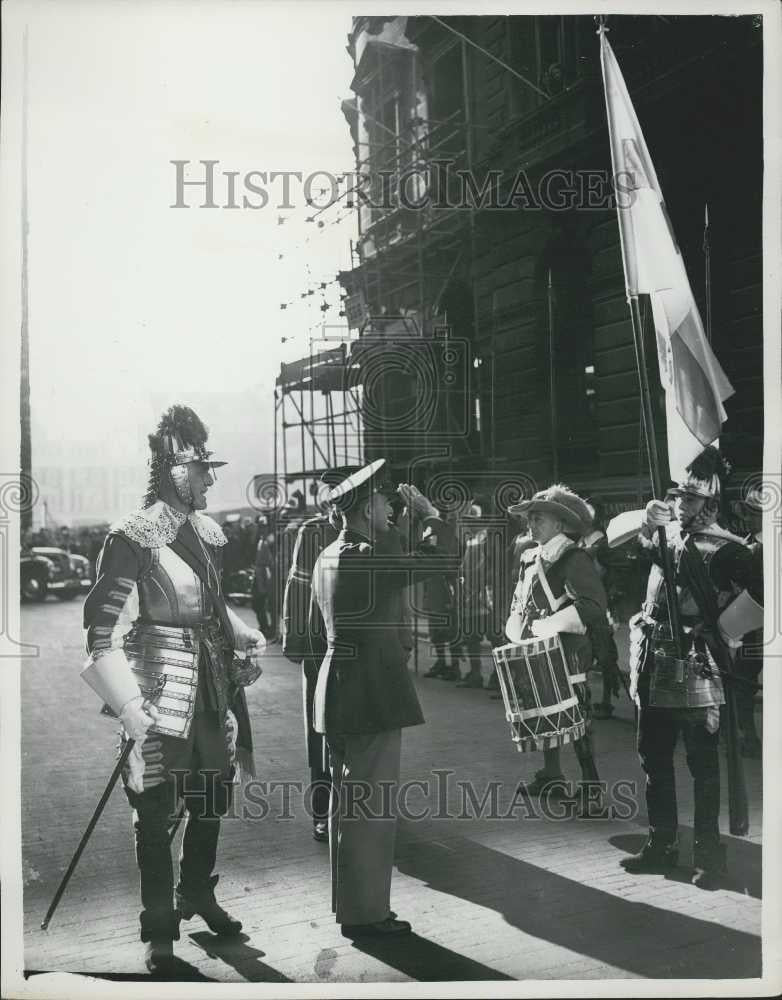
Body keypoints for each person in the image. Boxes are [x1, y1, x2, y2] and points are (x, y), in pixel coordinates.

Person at [81, 405, 265, 974]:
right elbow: (100, 632)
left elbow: (211, 609)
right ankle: (159, 926)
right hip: (157, 687)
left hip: (212, 689)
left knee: (212, 796)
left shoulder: (207, 535)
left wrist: (242, 634)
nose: (211, 479)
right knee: (156, 811)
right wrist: (129, 706)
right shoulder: (131, 538)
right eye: (203, 468)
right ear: (174, 469)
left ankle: (197, 894)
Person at [311, 461, 455, 938]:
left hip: (338, 688)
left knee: (347, 805)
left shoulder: (333, 555)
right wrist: (431, 515)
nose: (390, 508)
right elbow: (440, 561)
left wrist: (400, 529)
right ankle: (367, 914)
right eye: (381, 503)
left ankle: (349, 906)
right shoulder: (362, 557)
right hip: (368, 690)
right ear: (360, 509)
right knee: (370, 808)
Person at [621, 448, 763, 887]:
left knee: (702, 766)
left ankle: (709, 856)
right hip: (653, 660)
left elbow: (769, 593)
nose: (682, 506)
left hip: (699, 664)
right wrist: (644, 517)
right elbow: (609, 544)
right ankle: (661, 842)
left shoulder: (726, 551)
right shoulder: (664, 536)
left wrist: (725, 629)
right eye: (679, 498)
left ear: (712, 505)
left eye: (691, 500)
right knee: (653, 758)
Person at [504, 485, 608, 815]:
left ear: (560, 526)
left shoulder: (573, 558)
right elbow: (522, 600)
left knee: (578, 719)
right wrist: (515, 628)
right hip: (537, 647)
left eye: (539, 519)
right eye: (530, 519)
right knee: (543, 710)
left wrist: (550, 625)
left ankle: (592, 789)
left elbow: (592, 604)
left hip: (569, 649)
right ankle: (552, 776)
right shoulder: (530, 556)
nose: (531, 525)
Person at [280, 468, 356, 843]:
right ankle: (322, 812)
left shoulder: (372, 529)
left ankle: (359, 807)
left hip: (360, 649)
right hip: (320, 648)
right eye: (332, 496)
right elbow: (297, 587)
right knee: (319, 731)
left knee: (360, 730)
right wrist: (297, 642)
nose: (335, 503)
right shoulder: (312, 533)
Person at [581, 501, 622, 720]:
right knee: (583, 654)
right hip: (582, 608)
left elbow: (615, 578)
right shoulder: (580, 542)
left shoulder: (604, 545)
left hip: (601, 609)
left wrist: (610, 606)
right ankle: (584, 699)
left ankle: (606, 702)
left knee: (605, 656)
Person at [735, 487, 764, 757]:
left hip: (757, 625)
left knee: (742, 682)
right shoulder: (749, 544)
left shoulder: (754, 547)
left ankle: (748, 737)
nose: (748, 518)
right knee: (743, 681)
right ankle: (748, 736)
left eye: (753, 513)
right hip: (753, 624)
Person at [252, 526, 277, 640]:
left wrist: (264, 584)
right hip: (259, 575)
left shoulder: (266, 544)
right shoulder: (262, 542)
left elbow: (269, 564)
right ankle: (265, 627)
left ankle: (267, 628)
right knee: (257, 604)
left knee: (260, 603)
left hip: (263, 576)